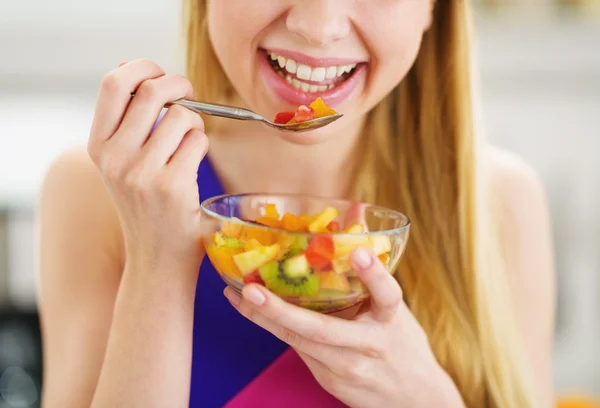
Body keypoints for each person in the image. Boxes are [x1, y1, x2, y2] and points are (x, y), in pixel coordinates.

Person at [36, 1, 556, 407]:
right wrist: (158, 259)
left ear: (432, 9)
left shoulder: (499, 202)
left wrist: (429, 400)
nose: (317, 24)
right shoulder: (100, 190)